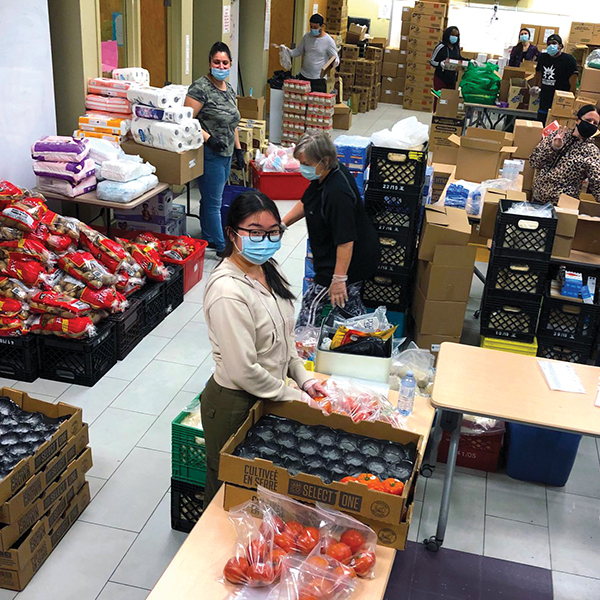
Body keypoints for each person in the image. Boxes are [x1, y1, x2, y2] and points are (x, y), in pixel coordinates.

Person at [201, 191, 327, 506]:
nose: (266, 240)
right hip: (234, 404)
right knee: (228, 490)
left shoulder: (270, 268)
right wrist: (292, 395)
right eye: (255, 232)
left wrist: (304, 379)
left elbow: (285, 337)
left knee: (262, 488)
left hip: (269, 394)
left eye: (273, 232)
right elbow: (243, 370)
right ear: (232, 233)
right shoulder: (228, 292)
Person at [282, 131, 379, 328]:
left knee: (312, 303)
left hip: (349, 259)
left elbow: (345, 241)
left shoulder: (337, 192)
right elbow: (308, 201)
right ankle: (366, 339)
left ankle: (301, 344)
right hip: (342, 257)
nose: (302, 169)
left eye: (306, 164)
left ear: (324, 160)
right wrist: (281, 225)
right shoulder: (326, 175)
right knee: (348, 306)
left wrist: (338, 279)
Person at [185, 42, 245, 257]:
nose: (221, 66)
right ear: (209, 63)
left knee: (211, 198)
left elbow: (232, 122)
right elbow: (186, 120)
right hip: (209, 153)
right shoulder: (200, 88)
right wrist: (209, 139)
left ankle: (208, 236)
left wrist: (238, 150)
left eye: (225, 62)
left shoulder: (229, 89)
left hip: (227, 151)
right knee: (214, 202)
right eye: (217, 62)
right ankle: (221, 247)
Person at [530, 105, 600, 204]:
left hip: (562, 206)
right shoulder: (558, 135)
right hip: (538, 200)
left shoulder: (591, 152)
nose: (591, 125)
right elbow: (534, 162)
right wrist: (553, 148)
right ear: (577, 120)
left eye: (595, 123)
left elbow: (597, 182)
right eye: (588, 120)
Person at [530, 34, 578, 125]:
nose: (551, 46)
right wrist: (536, 86)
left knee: (556, 127)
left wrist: (571, 100)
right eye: (549, 44)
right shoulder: (543, 57)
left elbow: (573, 82)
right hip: (545, 96)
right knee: (541, 123)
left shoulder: (569, 60)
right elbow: (538, 72)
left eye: (554, 43)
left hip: (560, 99)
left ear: (560, 46)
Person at [285, 14, 339, 93]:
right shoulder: (307, 37)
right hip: (304, 77)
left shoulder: (328, 41)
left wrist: (333, 63)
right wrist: (287, 51)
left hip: (318, 79)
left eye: (315, 27)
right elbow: (298, 51)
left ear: (322, 26)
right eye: (311, 27)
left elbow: (335, 58)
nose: (312, 29)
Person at [430, 27, 466, 91]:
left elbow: (458, 58)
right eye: (452, 35)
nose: (454, 37)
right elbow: (432, 61)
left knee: (449, 99)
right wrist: (440, 64)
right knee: (441, 99)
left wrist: (470, 61)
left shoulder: (456, 47)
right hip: (441, 78)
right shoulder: (441, 47)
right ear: (447, 35)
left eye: (456, 36)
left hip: (452, 79)